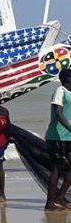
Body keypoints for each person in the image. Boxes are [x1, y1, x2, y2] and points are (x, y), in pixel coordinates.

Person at [44, 69, 71, 211]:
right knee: (56, 169)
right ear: (67, 78)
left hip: (70, 138)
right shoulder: (60, 91)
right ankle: (49, 203)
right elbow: (59, 114)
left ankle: (60, 197)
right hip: (56, 137)